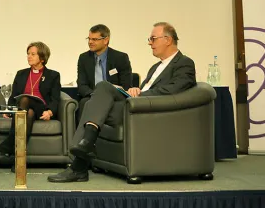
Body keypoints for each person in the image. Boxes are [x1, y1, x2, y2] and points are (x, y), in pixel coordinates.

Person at [48, 22, 196, 183]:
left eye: (153, 39)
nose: (149, 43)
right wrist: (133, 91)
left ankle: (80, 159)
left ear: (167, 40)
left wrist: (141, 94)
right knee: (101, 91)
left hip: (146, 110)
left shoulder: (184, 63)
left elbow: (173, 90)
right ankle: (83, 152)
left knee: (99, 94)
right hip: (134, 105)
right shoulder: (155, 67)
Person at [0, 42, 61, 170]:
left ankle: (9, 143)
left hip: (41, 108)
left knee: (25, 99)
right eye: (28, 54)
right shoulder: (21, 74)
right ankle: (18, 162)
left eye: (33, 54)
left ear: (42, 57)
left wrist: (50, 112)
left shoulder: (53, 75)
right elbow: (14, 96)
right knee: (27, 113)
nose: (29, 57)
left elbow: (55, 98)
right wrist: (9, 109)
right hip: (25, 110)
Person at [76, 24, 132, 122]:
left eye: (94, 39)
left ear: (106, 40)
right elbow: (82, 85)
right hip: (92, 96)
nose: (90, 42)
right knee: (84, 103)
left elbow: (126, 85)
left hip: (114, 98)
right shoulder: (84, 58)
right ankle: (83, 136)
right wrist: (96, 95)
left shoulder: (120, 58)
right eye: (89, 39)